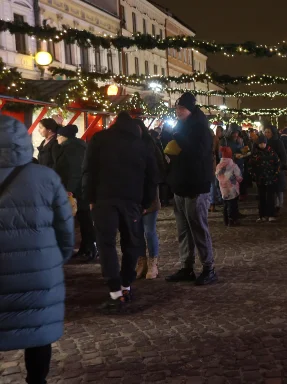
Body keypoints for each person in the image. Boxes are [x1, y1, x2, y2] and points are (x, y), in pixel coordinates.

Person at [0, 115, 74, 384]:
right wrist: (56, 259)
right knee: (37, 332)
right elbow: (65, 229)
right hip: (38, 271)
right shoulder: (44, 177)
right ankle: (37, 380)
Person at [82, 112, 156, 311]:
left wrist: (89, 198)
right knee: (131, 243)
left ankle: (115, 290)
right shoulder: (142, 144)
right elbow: (152, 176)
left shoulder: (99, 139)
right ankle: (126, 284)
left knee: (106, 244)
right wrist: (145, 202)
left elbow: (89, 170)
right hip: (132, 200)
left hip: (104, 199)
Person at [164, 93, 218, 286]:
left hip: (196, 185)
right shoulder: (181, 127)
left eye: (181, 108)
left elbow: (198, 154)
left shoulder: (201, 129)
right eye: (177, 108)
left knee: (198, 228)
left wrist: (178, 140)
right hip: (180, 184)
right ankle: (186, 267)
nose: (178, 111)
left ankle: (208, 268)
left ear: (190, 110)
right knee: (183, 230)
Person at [53, 124, 96, 262]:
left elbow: (75, 172)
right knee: (84, 220)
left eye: (58, 136)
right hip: (81, 189)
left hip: (78, 190)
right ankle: (86, 247)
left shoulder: (72, 148)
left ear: (63, 136)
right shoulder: (76, 146)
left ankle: (91, 248)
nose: (57, 139)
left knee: (85, 220)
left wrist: (70, 190)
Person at [133, 119, 166, 280]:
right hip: (133, 196)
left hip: (149, 194)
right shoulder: (128, 146)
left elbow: (156, 174)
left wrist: (148, 199)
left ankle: (153, 263)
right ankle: (141, 262)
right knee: (137, 232)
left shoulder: (150, 146)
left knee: (149, 230)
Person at [248, 135, 280, 222]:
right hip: (260, 179)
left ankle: (271, 214)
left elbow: (277, 163)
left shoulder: (271, 152)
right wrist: (254, 175)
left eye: (264, 143)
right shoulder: (255, 153)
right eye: (261, 143)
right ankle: (262, 215)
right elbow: (250, 166)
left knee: (270, 197)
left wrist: (275, 174)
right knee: (261, 197)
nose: (262, 145)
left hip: (270, 178)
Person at [216, 146, 243, 226]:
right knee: (233, 204)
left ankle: (226, 220)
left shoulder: (219, 165)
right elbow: (238, 176)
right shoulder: (233, 165)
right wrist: (239, 180)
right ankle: (232, 220)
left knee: (225, 204)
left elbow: (217, 175)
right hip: (232, 188)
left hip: (223, 188)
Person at [264, 124, 287, 214]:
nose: (266, 134)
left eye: (268, 132)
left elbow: (283, 155)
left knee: (278, 188)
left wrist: (280, 165)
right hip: (267, 169)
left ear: (273, 133)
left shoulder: (278, 142)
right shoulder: (264, 142)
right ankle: (272, 205)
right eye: (265, 132)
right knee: (270, 189)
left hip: (277, 168)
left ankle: (279, 205)